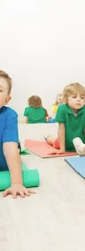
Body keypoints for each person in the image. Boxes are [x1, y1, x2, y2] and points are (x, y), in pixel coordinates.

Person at [0, 69, 35, 198]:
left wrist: (16, 183)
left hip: (4, 161)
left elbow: (9, 150)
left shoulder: (9, 115)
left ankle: (20, 145)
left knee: (14, 147)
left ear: (6, 100)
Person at [44, 83, 85, 154]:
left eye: (82, 97)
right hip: (64, 142)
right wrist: (62, 149)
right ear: (66, 99)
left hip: (81, 143)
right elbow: (61, 129)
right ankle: (47, 137)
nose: (79, 100)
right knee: (54, 141)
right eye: (74, 97)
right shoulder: (62, 109)